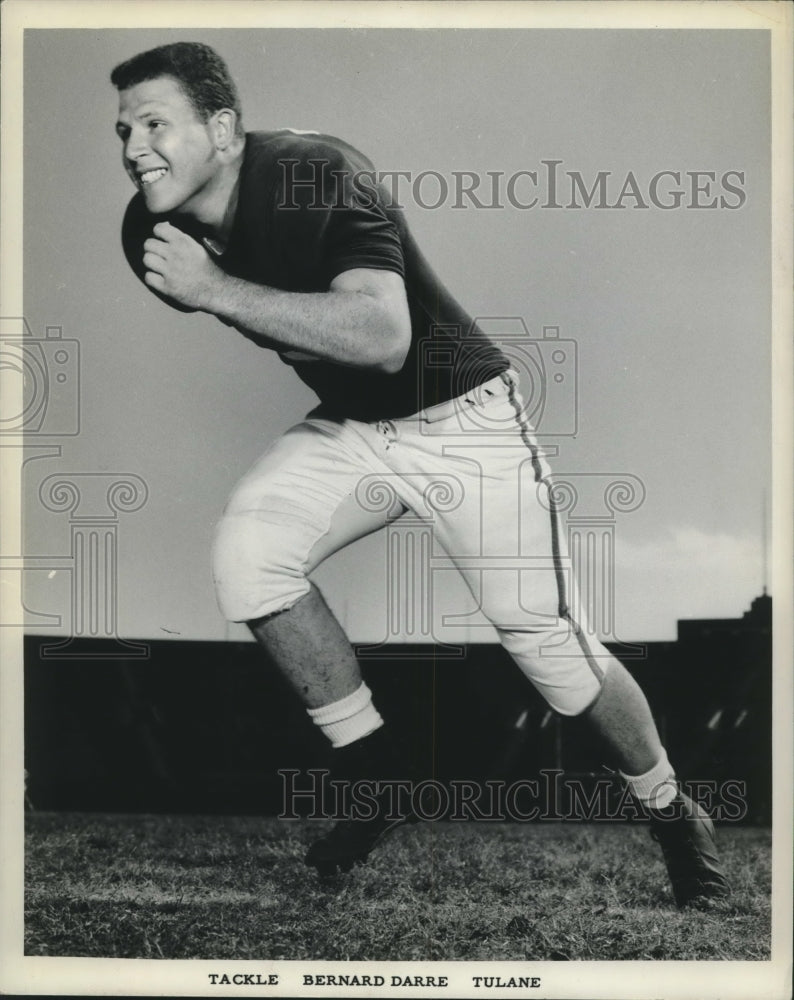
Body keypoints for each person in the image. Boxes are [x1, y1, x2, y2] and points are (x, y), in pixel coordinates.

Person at [111, 41, 728, 907]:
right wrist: (215, 282)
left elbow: (383, 337)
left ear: (222, 128)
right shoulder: (151, 232)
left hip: (462, 419)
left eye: (154, 124)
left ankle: (672, 810)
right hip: (358, 426)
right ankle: (376, 773)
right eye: (124, 129)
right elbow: (319, 344)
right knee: (248, 554)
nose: (135, 148)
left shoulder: (313, 173)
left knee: (551, 650)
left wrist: (216, 287)